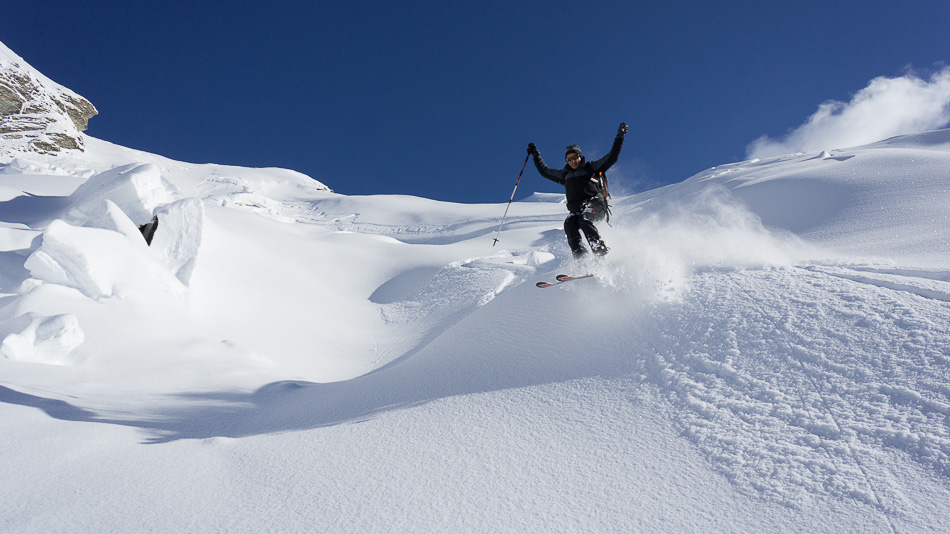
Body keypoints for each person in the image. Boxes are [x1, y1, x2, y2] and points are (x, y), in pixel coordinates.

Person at [527, 123, 628, 259]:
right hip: (576, 210)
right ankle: (581, 258)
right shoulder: (565, 175)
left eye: (575, 157)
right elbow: (544, 171)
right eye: (569, 159)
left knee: (584, 220)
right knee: (569, 224)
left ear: (580, 157)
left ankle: (600, 251)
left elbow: (612, 157)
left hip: (595, 205)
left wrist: (619, 136)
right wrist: (535, 154)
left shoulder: (591, 168)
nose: (572, 161)